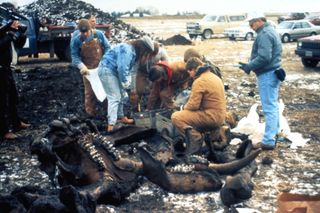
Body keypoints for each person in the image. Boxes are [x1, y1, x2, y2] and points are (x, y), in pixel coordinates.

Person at [238, 12, 282, 150]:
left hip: (267, 75)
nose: (250, 26)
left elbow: (264, 57)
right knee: (273, 106)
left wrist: (249, 66)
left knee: (269, 108)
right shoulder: (271, 31)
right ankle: (275, 132)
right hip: (273, 72)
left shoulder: (264, 34)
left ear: (259, 20)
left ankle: (268, 141)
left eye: (252, 22)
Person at [98, 36, 158, 132]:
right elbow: (122, 68)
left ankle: (121, 118)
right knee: (115, 97)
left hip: (115, 71)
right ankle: (111, 125)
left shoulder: (134, 53)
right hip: (107, 70)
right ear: (143, 49)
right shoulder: (127, 50)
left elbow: (132, 72)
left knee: (122, 95)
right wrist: (127, 85)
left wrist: (132, 88)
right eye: (147, 54)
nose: (146, 57)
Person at [171, 60, 226, 155]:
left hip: (211, 118)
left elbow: (193, 105)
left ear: (193, 69)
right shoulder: (214, 77)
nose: (190, 75)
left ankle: (196, 139)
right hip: (221, 117)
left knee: (176, 117)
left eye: (190, 72)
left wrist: (182, 108)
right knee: (191, 116)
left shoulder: (200, 81)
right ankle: (212, 136)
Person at [0, 6, 30, 140]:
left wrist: (22, 33)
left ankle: (16, 123)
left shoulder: (4, 30)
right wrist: (11, 32)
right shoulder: (5, 32)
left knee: (12, 98)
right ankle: (4, 130)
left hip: (7, 69)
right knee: (2, 101)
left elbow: (18, 44)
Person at [70, 18, 110, 117]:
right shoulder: (76, 40)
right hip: (87, 70)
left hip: (101, 66)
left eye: (87, 32)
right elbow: (74, 56)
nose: (85, 34)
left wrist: (104, 61)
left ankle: (108, 113)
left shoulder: (99, 35)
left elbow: (108, 47)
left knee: (105, 89)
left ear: (90, 29)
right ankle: (90, 115)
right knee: (89, 92)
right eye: (82, 32)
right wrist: (81, 67)